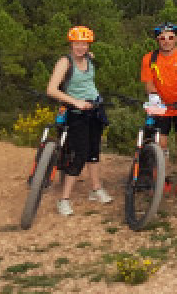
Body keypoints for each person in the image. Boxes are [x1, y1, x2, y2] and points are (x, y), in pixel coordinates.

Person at [46, 26, 112, 216]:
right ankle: (64, 200)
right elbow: (51, 89)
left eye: (84, 44)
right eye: (77, 43)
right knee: (80, 153)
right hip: (76, 112)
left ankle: (96, 189)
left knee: (93, 150)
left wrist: (92, 102)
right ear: (71, 44)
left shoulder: (89, 59)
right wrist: (76, 102)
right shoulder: (64, 62)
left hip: (94, 109)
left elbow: (87, 81)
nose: (80, 47)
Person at [140, 22, 177, 197]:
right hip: (162, 107)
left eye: (170, 38)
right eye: (162, 38)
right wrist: (153, 96)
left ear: (176, 39)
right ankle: (163, 180)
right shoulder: (149, 58)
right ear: (157, 40)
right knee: (161, 144)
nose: (166, 41)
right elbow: (148, 82)